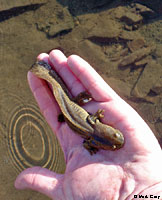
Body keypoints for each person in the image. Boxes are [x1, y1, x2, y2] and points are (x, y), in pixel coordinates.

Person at [15, 50, 162, 200]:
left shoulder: (94, 128)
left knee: (63, 99)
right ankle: (46, 75)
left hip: (72, 113)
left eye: (114, 141)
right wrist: (151, 190)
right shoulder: (91, 137)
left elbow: (90, 132)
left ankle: (48, 76)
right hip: (71, 112)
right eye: (116, 135)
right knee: (62, 98)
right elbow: (87, 142)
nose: (117, 139)